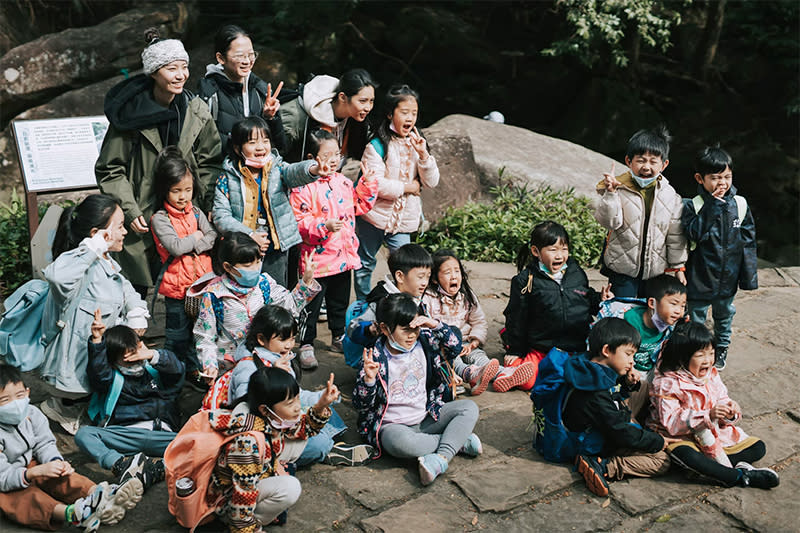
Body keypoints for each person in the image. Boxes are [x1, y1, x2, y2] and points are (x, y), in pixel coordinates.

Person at [96, 28, 223, 294]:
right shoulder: (130, 115)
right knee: (137, 284)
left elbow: (209, 161)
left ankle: (181, 334)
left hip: (185, 210)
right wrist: (129, 210)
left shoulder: (196, 110)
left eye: (184, 67)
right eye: (171, 68)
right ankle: (137, 331)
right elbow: (110, 168)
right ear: (154, 72)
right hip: (143, 207)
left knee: (187, 281)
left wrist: (206, 203)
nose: (180, 75)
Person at [39, 194, 148, 435]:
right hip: (73, 368)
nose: (125, 232)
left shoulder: (107, 261)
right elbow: (58, 277)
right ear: (97, 234)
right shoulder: (80, 264)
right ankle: (63, 407)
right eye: (119, 226)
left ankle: (79, 406)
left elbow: (125, 288)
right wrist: (91, 249)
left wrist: (137, 312)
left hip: (96, 359)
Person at [352, 293, 481, 486]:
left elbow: (455, 346)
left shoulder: (426, 342)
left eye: (416, 328)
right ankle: (457, 442)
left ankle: (440, 459)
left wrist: (433, 324)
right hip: (393, 427)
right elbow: (361, 405)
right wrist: (369, 381)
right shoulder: (374, 357)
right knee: (401, 444)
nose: (412, 335)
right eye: (405, 330)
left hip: (427, 416)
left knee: (469, 408)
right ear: (385, 329)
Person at [0, 364, 143, 531]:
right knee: (21, 499)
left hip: (30, 462)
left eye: (19, 395)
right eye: (5, 400)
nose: (16, 404)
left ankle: (100, 496)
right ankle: (74, 514)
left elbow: (44, 443)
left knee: (63, 477)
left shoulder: (32, 413)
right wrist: (31, 473)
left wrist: (55, 462)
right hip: (5, 478)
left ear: (28, 392)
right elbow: (3, 477)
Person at [226, 306, 373, 466]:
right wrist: (271, 376)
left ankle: (329, 444)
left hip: (285, 420)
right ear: (261, 339)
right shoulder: (247, 367)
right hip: (266, 432)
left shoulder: (280, 359)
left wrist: (321, 398)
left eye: (292, 338)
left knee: (325, 409)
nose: (289, 345)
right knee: (319, 443)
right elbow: (250, 408)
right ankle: (327, 449)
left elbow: (296, 395)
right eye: (283, 340)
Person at [648, 322, 779, 489]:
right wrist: (707, 416)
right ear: (682, 357)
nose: (708, 360)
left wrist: (729, 412)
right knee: (689, 456)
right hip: (678, 436)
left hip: (713, 435)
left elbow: (722, 398)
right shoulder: (666, 383)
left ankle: (709, 467)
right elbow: (672, 422)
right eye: (701, 355)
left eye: (711, 353)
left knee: (758, 447)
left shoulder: (711, 374)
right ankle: (738, 476)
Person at [208, 363, 338, 531]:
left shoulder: (268, 417)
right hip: (227, 501)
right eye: (290, 403)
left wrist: (321, 405)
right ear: (265, 409)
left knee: (300, 440)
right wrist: (247, 529)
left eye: (297, 398)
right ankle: (243, 521)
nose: (298, 407)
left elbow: (304, 429)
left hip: (254, 473)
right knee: (290, 488)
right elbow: (242, 494)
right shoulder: (247, 443)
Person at [289, 129, 378, 367]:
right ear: (311, 158)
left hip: (343, 255)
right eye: (326, 155)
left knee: (339, 301)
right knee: (312, 304)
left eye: (336, 154)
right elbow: (299, 222)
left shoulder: (344, 182)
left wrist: (367, 184)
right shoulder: (302, 187)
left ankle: (338, 335)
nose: (333, 160)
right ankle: (306, 343)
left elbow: (359, 206)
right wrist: (323, 226)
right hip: (316, 261)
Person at [564, 318, 675, 497]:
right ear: (607, 350)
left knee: (644, 386)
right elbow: (619, 431)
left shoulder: (590, 366)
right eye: (628, 354)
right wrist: (657, 441)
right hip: (597, 438)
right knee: (662, 461)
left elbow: (611, 392)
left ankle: (640, 430)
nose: (632, 361)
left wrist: (626, 382)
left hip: (605, 418)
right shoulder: (595, 393)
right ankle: (605, 465)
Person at [75, 312, 183, 493]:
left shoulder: (155, 372)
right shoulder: (112, 378)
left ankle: (156, 469)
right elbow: (98, 373)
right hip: (127, 434)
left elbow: (178, 370)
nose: (133, 361)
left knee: (205, 443)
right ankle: (120, 464)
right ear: (113, 360)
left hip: (163, 436)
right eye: (125, 359)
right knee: (84, 434)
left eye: (135, 353)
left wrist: (152, 355)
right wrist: (97, 342)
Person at [193, 232, 320, 385]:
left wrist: (305, 281)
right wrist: (210, 366)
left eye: (258, 261)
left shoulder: (264, 284)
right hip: (229, 370)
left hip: (267, 363)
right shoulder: (214, 295)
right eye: (247, 265)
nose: (255, 268)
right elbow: (205, 337)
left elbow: (290, 306)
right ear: (228, 267)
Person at [212, 116, 325, 287]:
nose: (260, 147)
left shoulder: (277, 168)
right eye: (252, 142)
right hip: (243, 251)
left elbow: (294, 172)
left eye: (265, 141)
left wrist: (313, 168)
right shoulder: (227, 178)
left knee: (275, 293)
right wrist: (250, 235)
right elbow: (221, 216)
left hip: (276, 249)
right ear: (237, 148)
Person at [502, 221, 611, 392]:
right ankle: (508, 371)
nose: (560, 255)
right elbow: (517, 316)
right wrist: (515, 349)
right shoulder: (526, 280)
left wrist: (600, 299)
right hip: (542, 347)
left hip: (575, 347)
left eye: (564, 249)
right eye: (553, 250)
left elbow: (586, 297)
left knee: (582, 379)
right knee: (528, 382)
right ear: (536, 251)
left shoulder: (575, 272)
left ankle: (556, 371)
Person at [353, 84, 440, 300]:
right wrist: (408, 187)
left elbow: (431, 182)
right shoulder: (377, 144)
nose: (410, 118)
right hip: (372, 217)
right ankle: (364, 305)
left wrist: (424, 156)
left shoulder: (418, 144)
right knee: (364, 264)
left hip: (403, 221)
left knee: (406, 267)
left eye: (414, 113)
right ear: (391, 113)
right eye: (404, 112)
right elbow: (376, 184)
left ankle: (400, 306)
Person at [682, 146, 757, 370]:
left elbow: (748, 241)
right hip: (699, 277)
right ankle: (694, 351)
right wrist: (712, 206)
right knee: (696, 319)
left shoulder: (739, 205)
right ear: (700, 178)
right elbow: (694, 233)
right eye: (715, 178)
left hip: (728, 277)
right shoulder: (693, 205)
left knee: (724, 316)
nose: (722, 183)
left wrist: (748, 277)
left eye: (727, 176)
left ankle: (721, 347)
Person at [149, 146, 216, 386]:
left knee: (199, 333)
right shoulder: (160, 218)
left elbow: (212, 236)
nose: (183, 196)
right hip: (177, 289)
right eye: (176, 191)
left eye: (187, 190)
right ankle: (170, 377)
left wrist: (196, 242)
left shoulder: (196, 211)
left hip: (203, 285)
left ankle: (191, 372)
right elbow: (175, 247)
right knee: (176, 337)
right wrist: (197, 238)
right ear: (164, 190)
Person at [594, 126, 687, 298]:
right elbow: (609, 222)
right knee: (621, 312)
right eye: (641, 160)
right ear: (629, 161)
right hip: (622, 269)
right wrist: (611, 194)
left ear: (664, 164)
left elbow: (675, 235)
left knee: (649, 315)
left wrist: (678, 267)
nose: (646, 167)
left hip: (655, 271)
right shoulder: (619, 188)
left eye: (653, 161)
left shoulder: (671, 196)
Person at [422, 249, 500, 396]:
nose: (454, 277)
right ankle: (470, 374)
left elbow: (479, 321)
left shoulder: (467, 296)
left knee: (479, 357)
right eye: (447, 273)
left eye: (457, 271)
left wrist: (474, 342)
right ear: (434, 279)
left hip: (466, 343)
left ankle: (504, 374)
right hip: (445, 347)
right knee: (454, 360)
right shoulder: (429, 299)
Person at [198, 24, 287, 150]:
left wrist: (270, 118)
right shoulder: (209, 94)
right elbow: (202, 145)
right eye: (239, 56)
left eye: (251, 55)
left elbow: (281, 147)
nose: (247, 61)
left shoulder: (260, 90)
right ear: (221, 58)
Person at [618, 274, 687, 420]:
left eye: (682, 306)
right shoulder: (628, 321)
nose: (678, 311)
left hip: (649, 373)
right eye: (673, 304)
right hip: (625, 375)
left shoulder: (671, 327)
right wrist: (629, 370)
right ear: (651, 303)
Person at [279, 68, 376, 163]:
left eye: (371, 101)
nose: (368, 108)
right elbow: (276, 156)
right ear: (342, 97)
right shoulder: (297, 116)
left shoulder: (356, 118)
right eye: (362, 101)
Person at [346, 243, 432, 349]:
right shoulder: (382, 302)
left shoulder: (417, 298)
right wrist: (369, 329)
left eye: (428, 277)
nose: (425, 283)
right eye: (420, 277)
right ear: (400, 276)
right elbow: (353, 329)